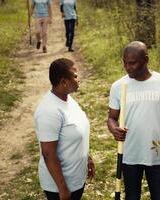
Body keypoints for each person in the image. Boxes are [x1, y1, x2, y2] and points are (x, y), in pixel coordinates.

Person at [107, 41, 160, 200]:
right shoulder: (118, 86)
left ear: (146, 59)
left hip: (157, 155)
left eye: (132, 63)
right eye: (124, 62)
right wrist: (114, 129)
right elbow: (111, 118)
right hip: (129, 154)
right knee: (132, 196)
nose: (127, 67)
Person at [34, 58, 95, 200]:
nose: (78, 79)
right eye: (75, 76)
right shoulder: (48, 111)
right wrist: (62, 188)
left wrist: (87, 158)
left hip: (75, 179)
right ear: (63, 81)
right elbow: (48, 154)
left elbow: (77, 133)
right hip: (60, 186)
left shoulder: (68, 100)